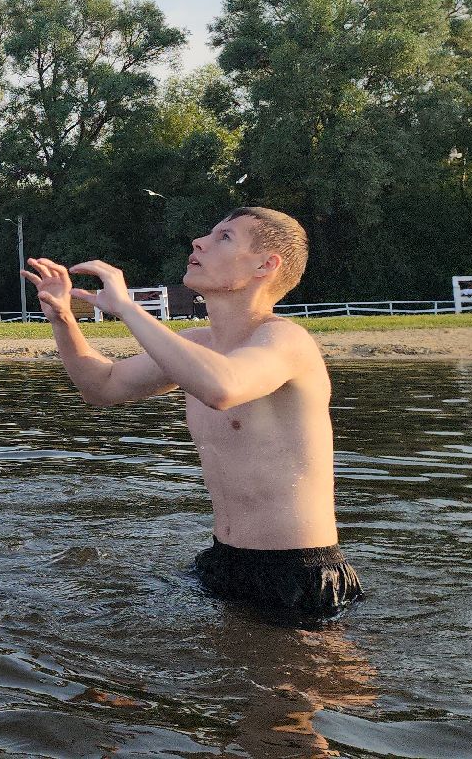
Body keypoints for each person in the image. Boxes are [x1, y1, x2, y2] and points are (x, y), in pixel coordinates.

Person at [21, 206, 362, 624]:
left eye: (225, 237)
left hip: (298, 571)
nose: (198, 242)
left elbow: (223, 388)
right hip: (223, 563)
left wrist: (127, 309)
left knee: (305, 691)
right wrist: (62, 318)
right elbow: (101, 386)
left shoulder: (287, 340)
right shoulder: (195, 346)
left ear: (265, 265)